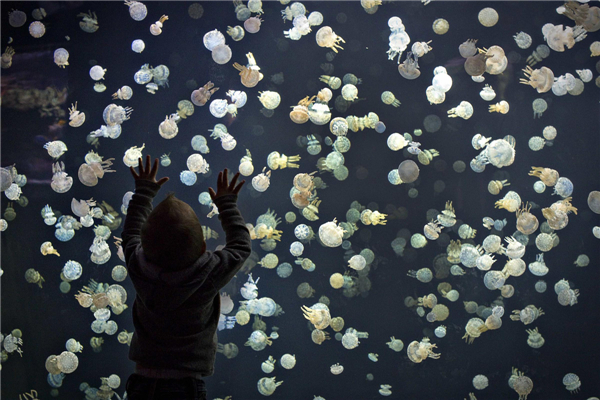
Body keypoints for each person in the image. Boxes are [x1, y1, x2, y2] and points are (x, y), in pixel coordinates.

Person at [122, 155, 251, 400]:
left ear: (146, 246)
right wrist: (227, 204)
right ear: (204, 247)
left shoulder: (138, 265)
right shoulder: (207, 274)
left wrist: (143, 193)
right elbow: (241, 248)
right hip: (185, 387)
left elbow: (130, 234)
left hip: (141, 382)